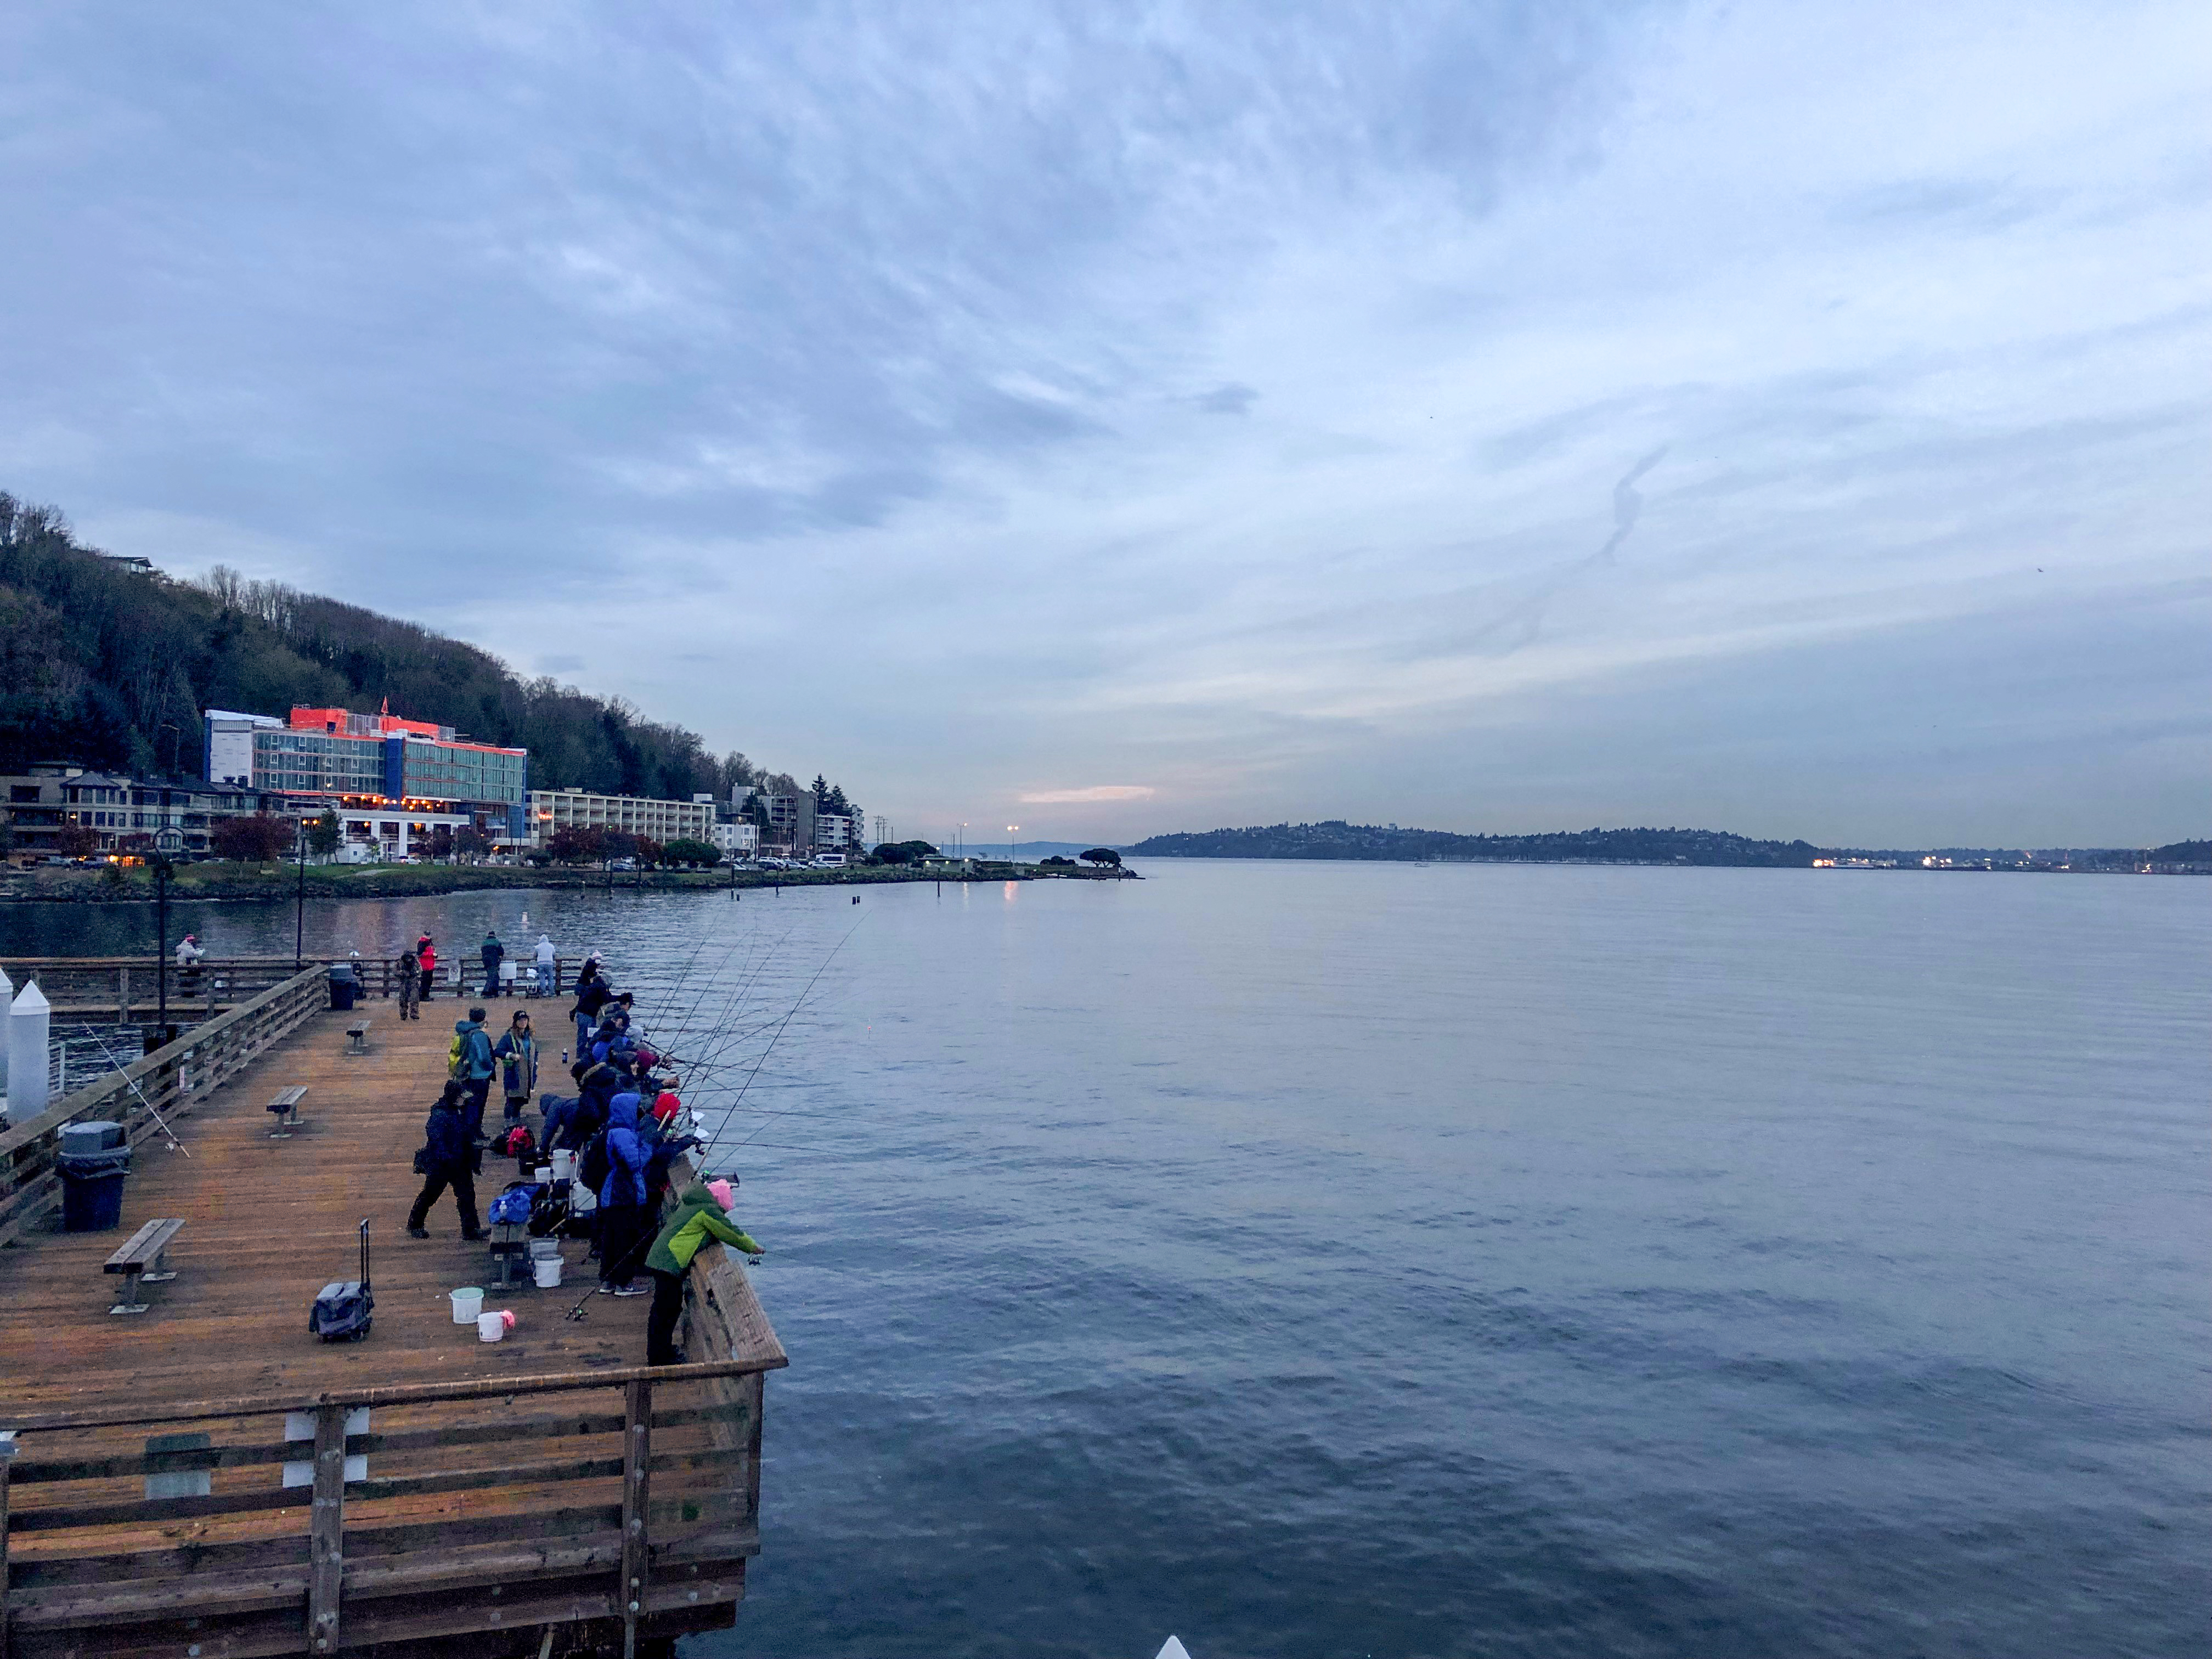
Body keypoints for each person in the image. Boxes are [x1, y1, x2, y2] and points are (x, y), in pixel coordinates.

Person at [641, 1179, 763, 1365]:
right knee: (666, 1310)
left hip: (662, 1258)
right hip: (669, 1262)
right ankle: (659, 1358)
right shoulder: (707, 1211)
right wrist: (753, 1247)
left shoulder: (693, 1203)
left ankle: (660, 1351)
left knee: (666, 1309)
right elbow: (729, 1232)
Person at [406, 1081, 486, 1240]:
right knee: (430, 1194)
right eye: (461, 1097)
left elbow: (466, 1133)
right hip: (442, 1164)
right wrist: (445, 1157)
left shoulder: (460, 1111)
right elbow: (436, 1139)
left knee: (467, 1196)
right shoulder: (440, 1115)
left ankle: (471, 1229)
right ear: (453, 1097)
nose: (464, 1099)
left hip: (460, 1161)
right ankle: (414, 1225)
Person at [595, 1089, 653, 1296]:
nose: (640, 1111)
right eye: (637, 1108)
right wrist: (647, 1146)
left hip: (613, 1192)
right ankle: (624, 1283)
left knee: (611, 1237)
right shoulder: (623, 1134)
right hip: (623, 1193)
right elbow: (635, 1162)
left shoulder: (613, 1130)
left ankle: (608, 1281)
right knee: (625, 1238)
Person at [449, 1008, 496, 1141]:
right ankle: (474, 1134)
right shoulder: (479, 1035)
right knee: (477, 1106)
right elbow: (484, 1058)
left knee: (469, 1103)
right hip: (480, 1076)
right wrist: (491, 1068)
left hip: (466, 1074)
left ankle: (467, 1132)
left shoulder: (464, 1030)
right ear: (484, 1018)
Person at [493, 1010, 538, 1125]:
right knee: (512, 1099)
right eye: (520, 1020)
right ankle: (508, 1123)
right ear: (515, 1022)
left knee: (521, 1100)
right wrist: (511, 1055)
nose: (523, 1022)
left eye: (525, 1020)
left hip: (527, 1073)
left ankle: (516, 1122)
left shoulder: (530, 1036)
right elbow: (498, 1051)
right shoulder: (509, 1037)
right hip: (514, 1073)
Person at [395, 949, 421, 1020]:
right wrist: (403, 973)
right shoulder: (399, 963)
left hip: (413, 983)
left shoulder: (415, 962)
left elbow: (420, 970)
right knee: (403, 1000)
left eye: (409, 957)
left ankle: (414, 1014)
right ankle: (403, 1014)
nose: (408, 959)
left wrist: (415, 973)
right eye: (407, 958)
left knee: (414, 999)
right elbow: (396, 972)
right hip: (404, 983)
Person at [481, 929, 505, 998]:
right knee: (491, 976)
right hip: (493, 960)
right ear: (494, 935)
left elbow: (482, 951)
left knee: (495, 975)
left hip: (485, 960)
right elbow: (501, 952)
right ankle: (486, 991)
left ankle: (495, 991)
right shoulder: (497, 942)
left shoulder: (484, 943)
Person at [534, 933, 557, 997]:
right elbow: (554, 954)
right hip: (549, 963)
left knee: (542, 978)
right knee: (550, 978)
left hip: (541, 963)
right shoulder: (551, 946)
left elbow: (534, 955)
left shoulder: (537, 947)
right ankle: (551, 993)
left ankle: (543, 993)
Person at [415, 934, 438, 1001]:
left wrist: (435, 955)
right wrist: (431, 955)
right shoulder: (422, 943)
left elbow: (431, 951)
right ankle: (423, 996)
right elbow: (419, 954)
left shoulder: (430, 942)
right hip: (425, 965)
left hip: (430, 965)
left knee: (429, 981)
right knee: (425, 981)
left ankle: (426, 995)